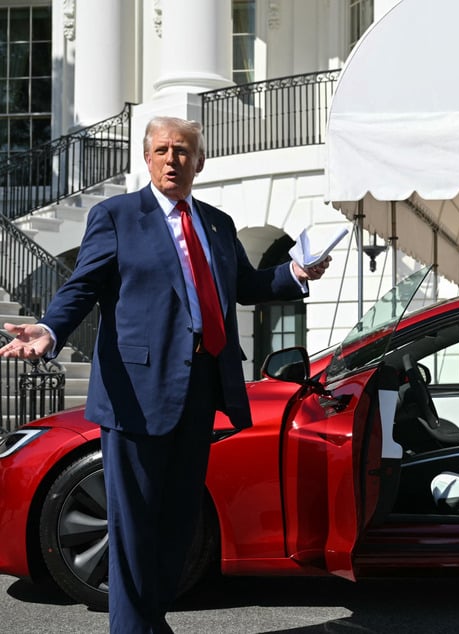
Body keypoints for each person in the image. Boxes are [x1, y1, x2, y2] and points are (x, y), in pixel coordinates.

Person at [0, 116, 330, 633]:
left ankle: (149, 618)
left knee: (178, 523)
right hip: (136, 389)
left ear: (199, 161)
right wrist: (48, 330)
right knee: (132, 522)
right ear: (147, 158)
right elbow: (83, 286)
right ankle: (132, 628)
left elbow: (245, 285)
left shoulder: (217, 223)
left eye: (183, 150)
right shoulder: (117, 216)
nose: (172, 159)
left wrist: (295, 273)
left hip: (202, 386)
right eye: (161, 149)